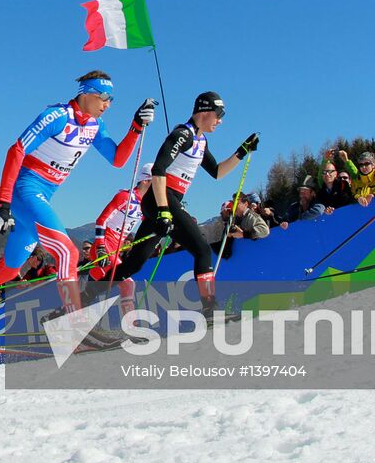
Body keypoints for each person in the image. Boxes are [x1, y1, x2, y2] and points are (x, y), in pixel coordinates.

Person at [0, 72, 154, 342]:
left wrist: (136, 126)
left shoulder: (95, 126)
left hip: (41, 197)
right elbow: (17, 150)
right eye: (104, 97)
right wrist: (2, 203)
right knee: (67, 252)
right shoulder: (57, 116)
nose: (108, 104)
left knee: (9, 269)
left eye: (112, 99)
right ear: (87, 92)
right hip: (25, 191)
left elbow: (118, 159)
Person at [79, 91, 259, 317]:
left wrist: (242, 151)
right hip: (161, 199)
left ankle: (85, 298)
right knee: (202, 249)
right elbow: (158, 168)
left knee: (134, 264)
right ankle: (210, 309)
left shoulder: (201, 140)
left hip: (164, 202)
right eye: (219, 114)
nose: (220, 121)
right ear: (204, 112)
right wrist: (164, 210)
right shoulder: (183, 134)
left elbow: (217, 172)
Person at [83, 163, 151, 318]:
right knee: (128, 283)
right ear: (146, 180)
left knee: (93, 288)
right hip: (105, 244)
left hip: (116, 248)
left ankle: (66, 313)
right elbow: (101, 220)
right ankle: (131, 326)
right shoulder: (125, 197)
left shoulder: (146, 204)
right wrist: (100, 245)